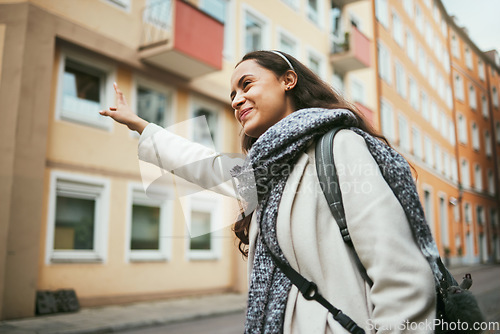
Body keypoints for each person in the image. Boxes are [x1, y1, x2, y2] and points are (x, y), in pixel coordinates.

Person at [100, 50, 439, 333]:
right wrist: (140, 124)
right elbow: (202, 163)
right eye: (232, 94)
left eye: (246, 85)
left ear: (287, 80)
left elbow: (401, 277)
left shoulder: (340, 147)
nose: (236, 100)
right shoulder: (265, 171)